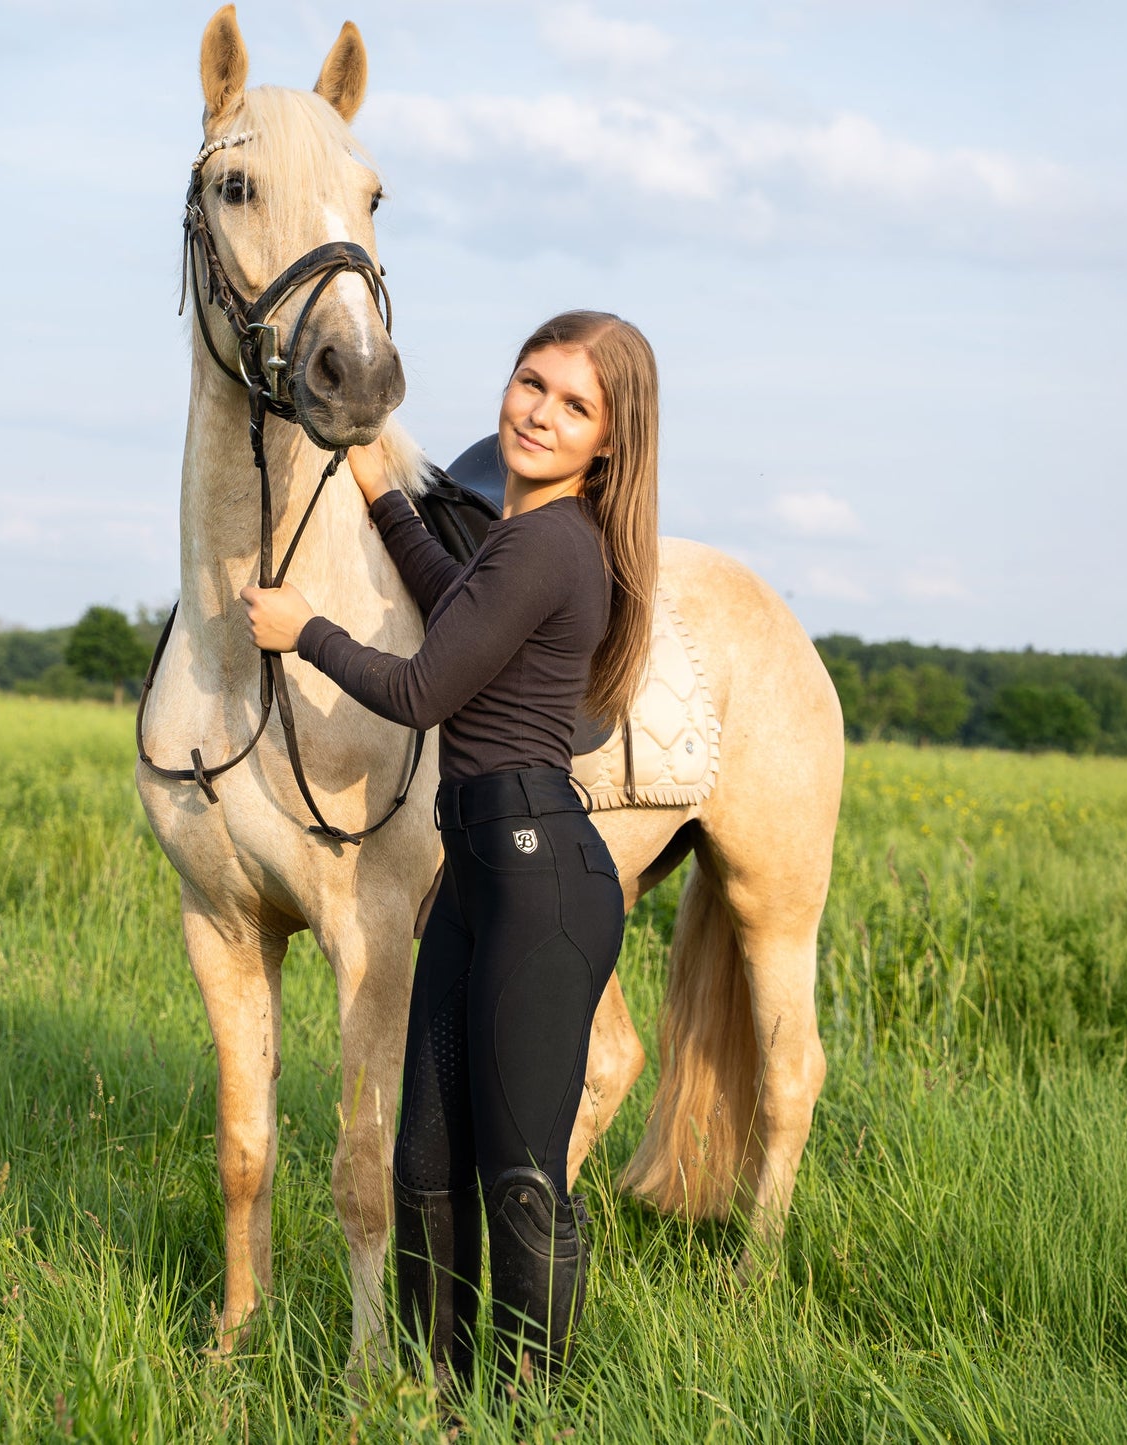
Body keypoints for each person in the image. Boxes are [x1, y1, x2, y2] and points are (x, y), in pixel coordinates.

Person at [241, 310, 659, 1390]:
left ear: (608, 440)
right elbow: (452, 607)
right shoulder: (519, 542)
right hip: (474, 879)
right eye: (532, 383)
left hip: (539, 887)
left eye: (575, 405)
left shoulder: (557, 542)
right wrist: (384, 491)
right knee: (426, 1159)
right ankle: (436, 1394)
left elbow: (424, 686)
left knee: (521, 1179)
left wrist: (306, 630)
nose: (540, 413)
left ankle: (534, 1407)